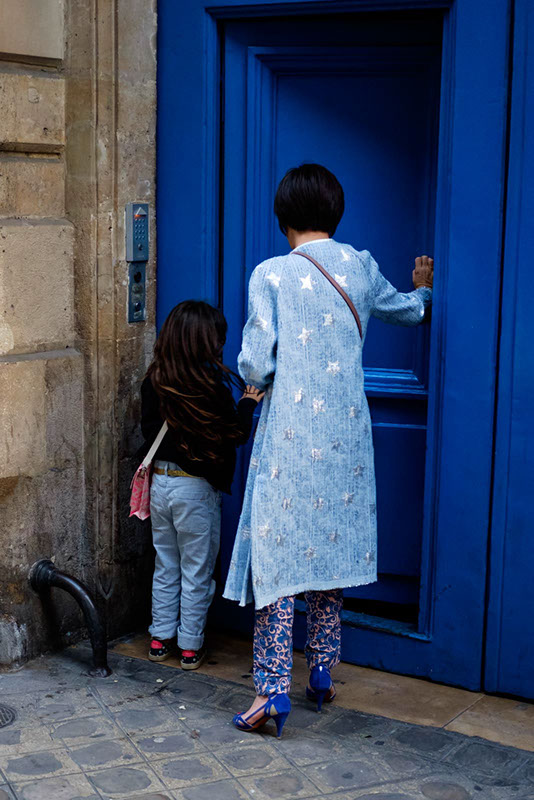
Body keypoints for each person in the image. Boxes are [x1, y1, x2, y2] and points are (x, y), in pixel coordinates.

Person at [223, 163, 434, 736]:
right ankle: (321, 671)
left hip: (290, 439)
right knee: (327, 552)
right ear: (335, 213)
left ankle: (271, 691)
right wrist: (424, 287)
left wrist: (260, 378)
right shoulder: (360, 266)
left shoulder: (271, 274)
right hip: (345, 440)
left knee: (277, 562)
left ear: (283, 216)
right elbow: (409, 311)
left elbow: (254, 363)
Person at [140, 300, 263, 669]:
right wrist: (247, 403)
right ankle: (190, 646)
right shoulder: (210, 388)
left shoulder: (154, 381)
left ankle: (160, 639)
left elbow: (148, 432)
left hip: (160, 484)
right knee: (196, 570)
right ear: (206, 343)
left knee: (166, 564)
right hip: (194, 489)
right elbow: (235, 434)